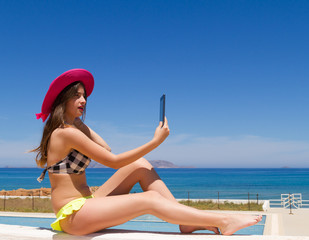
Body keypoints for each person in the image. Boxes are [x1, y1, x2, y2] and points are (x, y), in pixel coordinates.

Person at [32, 69, 261, 236]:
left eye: (84, 96)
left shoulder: (73, 129)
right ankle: (223, 220)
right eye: (77, 96)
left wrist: (80, 122)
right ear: (64, 99)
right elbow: (112, 160)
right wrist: (156, 142)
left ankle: (186, 221)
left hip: (87, 203)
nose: (83, 100)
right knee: (149, 199)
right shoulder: (64, 133)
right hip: (72, 215)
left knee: (139, 165)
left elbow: (105, 148)